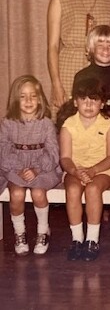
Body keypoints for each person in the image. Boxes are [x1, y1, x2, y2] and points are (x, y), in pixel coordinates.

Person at [58, 78, 110, 261]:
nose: (88, 104)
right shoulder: (68, 125)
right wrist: (76, 172)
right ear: (75, 101)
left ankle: (92, 240)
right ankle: (77, 239)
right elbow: (65, 158)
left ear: (103, 103)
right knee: (73, 189)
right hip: (75, 170)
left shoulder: (108, 125)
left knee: (93, 189)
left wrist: (92, 171)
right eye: (83, 99)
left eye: (94, 99)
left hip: (103, 170)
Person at [0, 75, 61, 255]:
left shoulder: (47, 124)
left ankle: (43, 231)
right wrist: (19, 168)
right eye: (23, 96)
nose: (28, 101)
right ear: (15, 99)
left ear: (40, 99)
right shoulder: (8, 123)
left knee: (38, 192)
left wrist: (36, 169)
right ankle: (20, 233)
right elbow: (3, 149)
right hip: (14, 168)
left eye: (33, 96)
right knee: (17, 193)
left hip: (42, 169)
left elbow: (53, 152)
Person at [73, 25, 110, 140]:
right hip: (88, 133)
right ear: (91, 48)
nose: (105, 50)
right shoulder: (82, 76)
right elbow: (76, 109)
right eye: (100, 45)